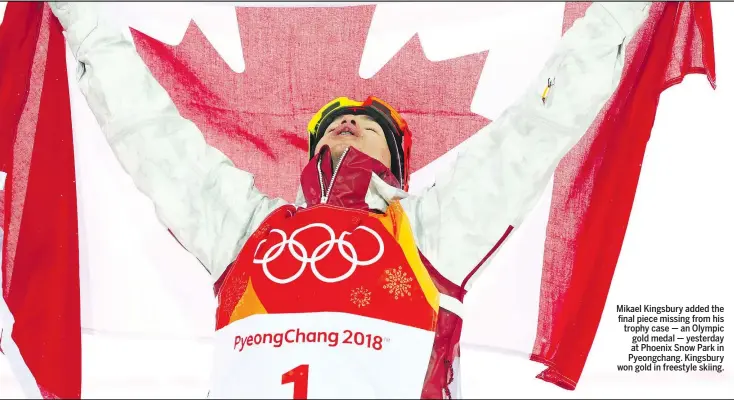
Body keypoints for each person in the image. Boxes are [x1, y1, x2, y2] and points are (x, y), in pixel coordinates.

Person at [50, 2, 651, 398]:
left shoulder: (432, 231)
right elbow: (150, 133)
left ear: (398, 162)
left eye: (370, 124)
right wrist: (77, 15)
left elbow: (537, 125)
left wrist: (623, 13)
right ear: (311, 156)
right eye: (332, 123)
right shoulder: (249, 230)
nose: (347, 121)